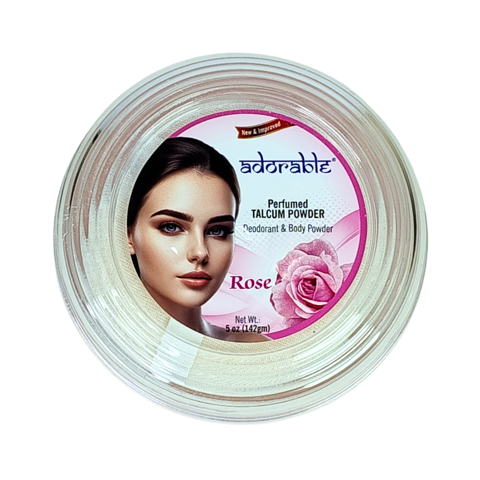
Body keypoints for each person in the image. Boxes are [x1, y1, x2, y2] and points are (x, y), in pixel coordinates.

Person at [127, 137, 267, 342]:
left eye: (218, 231)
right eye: (171, 227)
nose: (200, 252)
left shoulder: (251, 351)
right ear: (129, 236)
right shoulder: (93, 346)